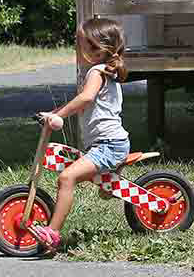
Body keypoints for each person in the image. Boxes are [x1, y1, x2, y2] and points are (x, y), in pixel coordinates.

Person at [29, 17, 130, 253]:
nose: (78, 47)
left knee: (66, 178)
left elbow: (85, 99)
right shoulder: (104, 71)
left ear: (95, 47)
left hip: (109, 145)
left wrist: (60, 116)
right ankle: (112, 177)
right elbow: (83, 104)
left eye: (81, 42)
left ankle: (52, 233)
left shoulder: (97, 71)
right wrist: (53, 113)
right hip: (108, 144)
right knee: (106, 189)